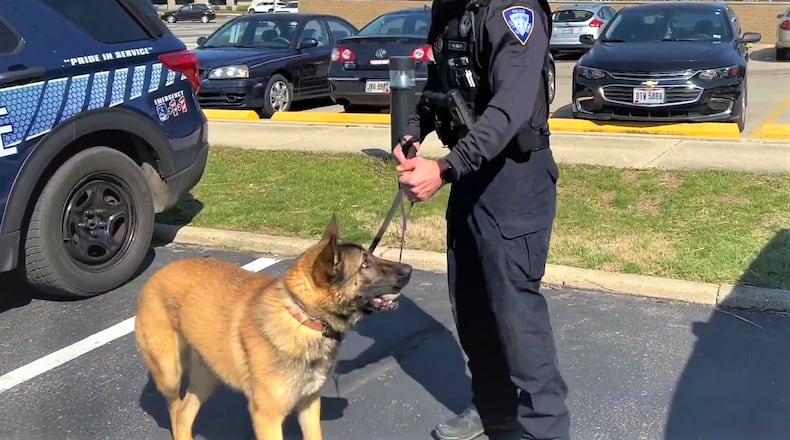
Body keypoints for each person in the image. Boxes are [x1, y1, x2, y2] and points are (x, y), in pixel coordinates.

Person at [391, 0, 571, 439]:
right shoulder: (449, 8)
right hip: (470, 178)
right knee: (471, 311)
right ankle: (495, 414)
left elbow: (510, 107)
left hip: (514, 180)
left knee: (515, 319)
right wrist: (414, 129)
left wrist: (447, 168)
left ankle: (542, 431)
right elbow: (442, 78)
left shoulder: (514, 9)